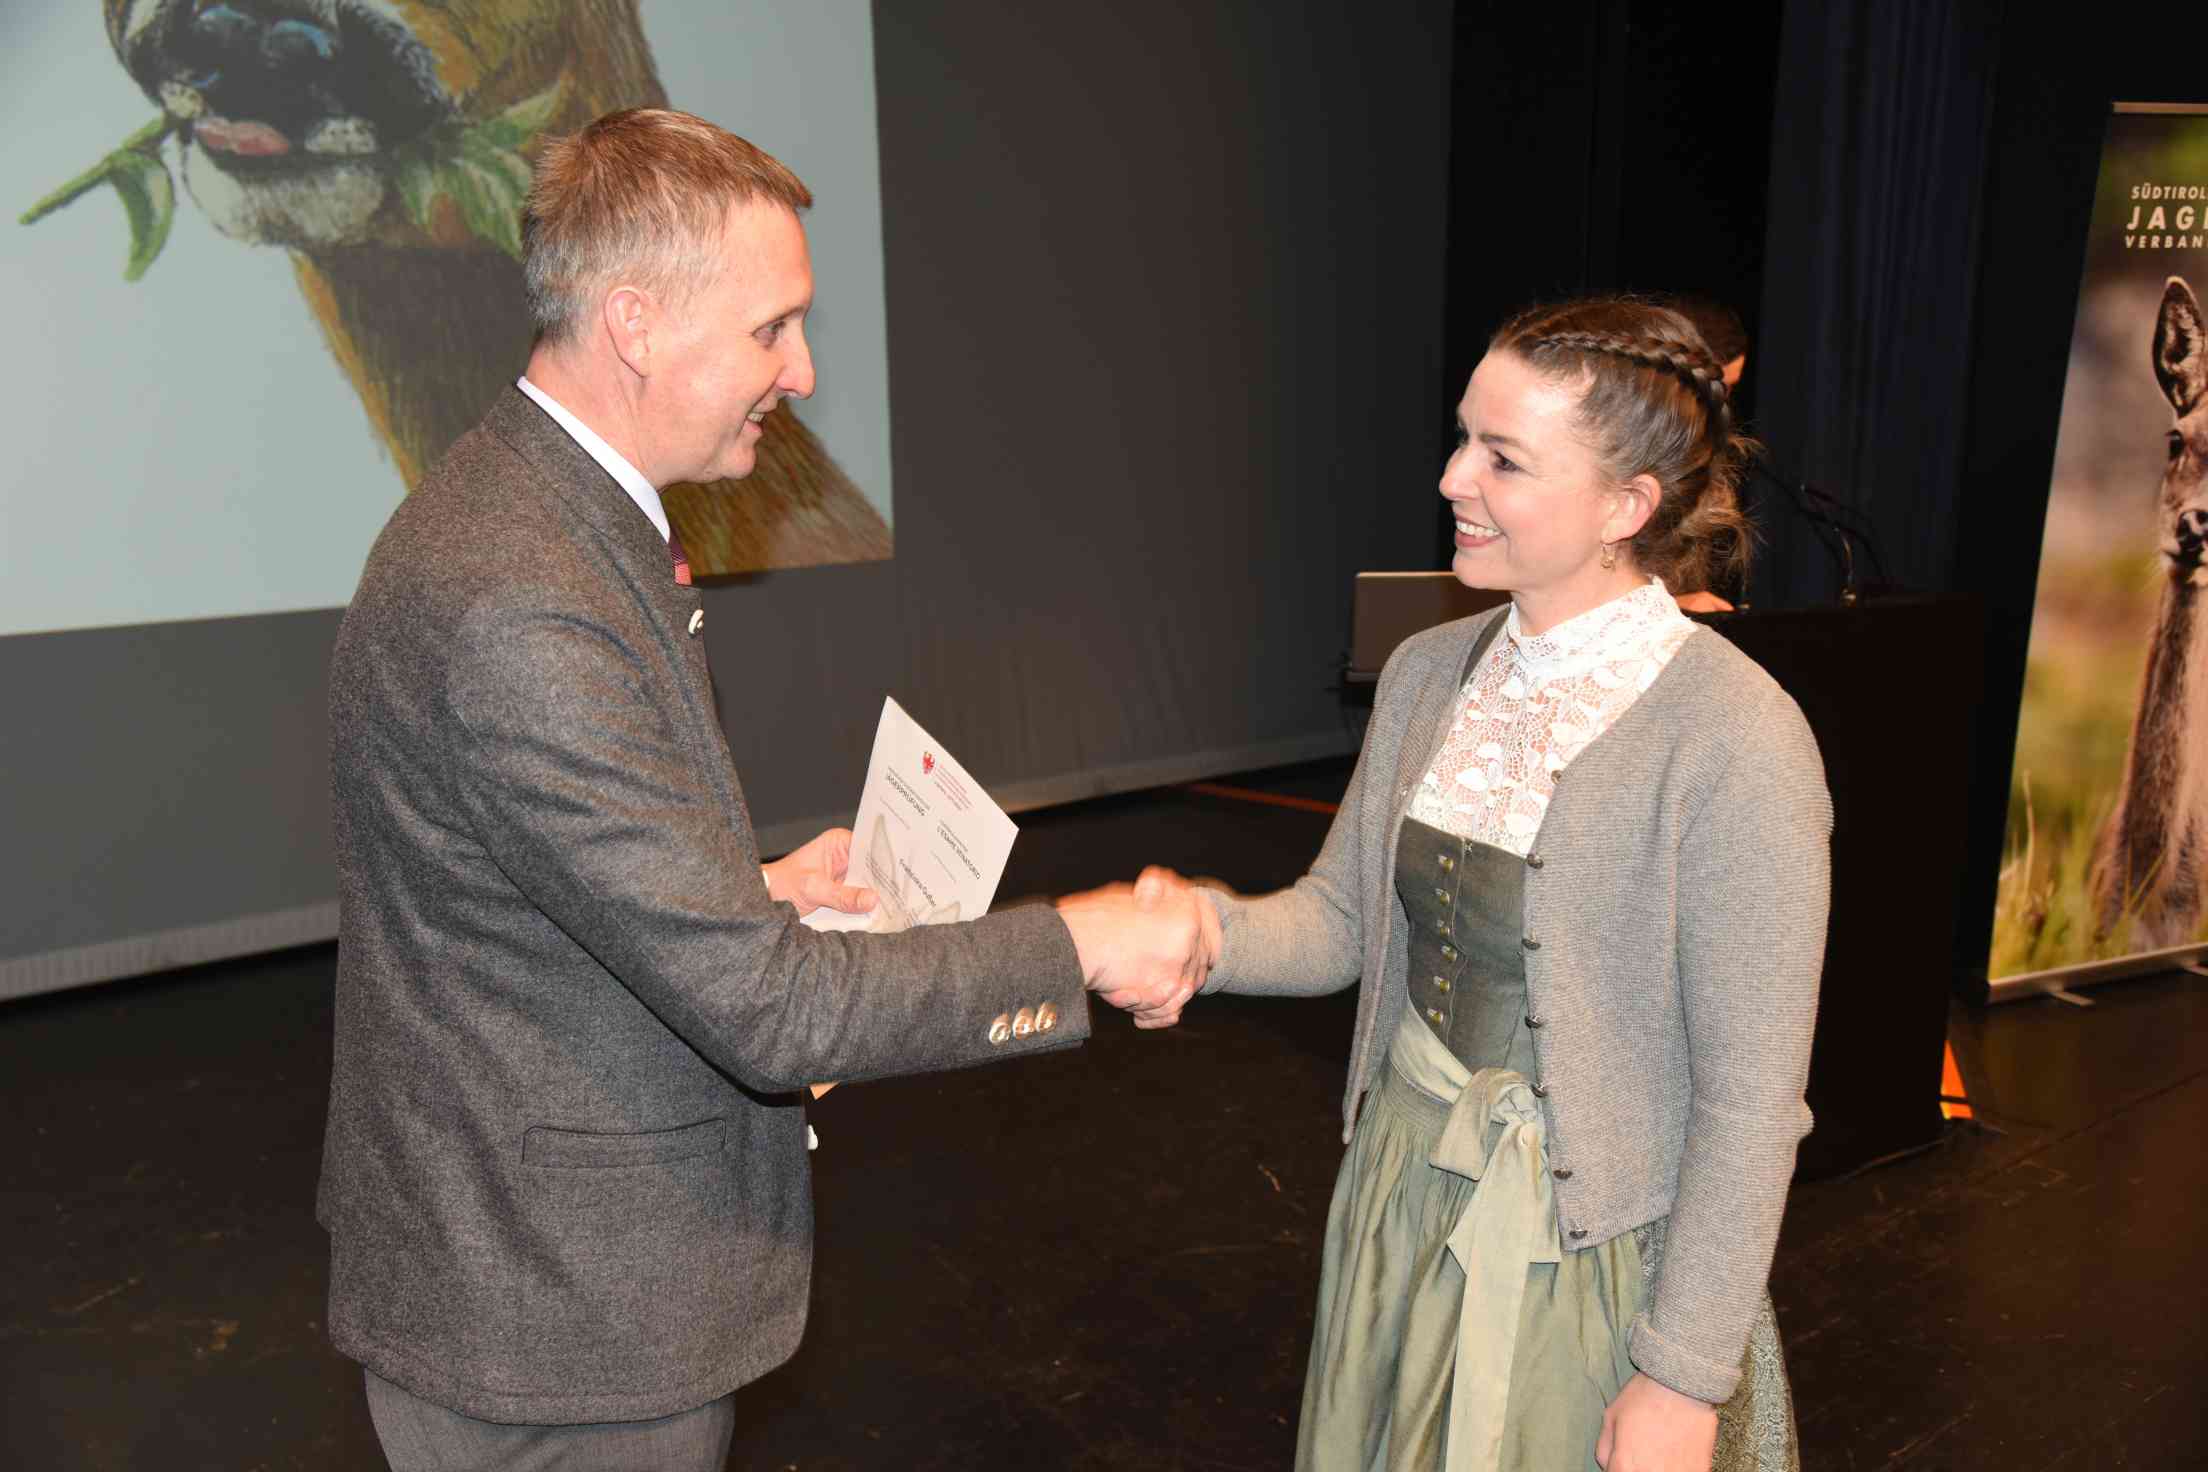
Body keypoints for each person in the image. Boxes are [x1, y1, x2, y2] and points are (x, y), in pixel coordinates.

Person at [319, 108, 1201, 1471]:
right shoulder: (523, 596)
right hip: (562, 1328)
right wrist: (1081, 941)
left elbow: (519, 880)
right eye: (770, 328)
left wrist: (742, 891)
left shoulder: (538, 515)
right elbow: (774, 1013)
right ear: (635, 323)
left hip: (539, 1278)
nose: (800, 369)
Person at [1123, 296, 1830, 1470]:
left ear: (1625, 506)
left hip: (1591, 1257)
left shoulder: (1738, 735)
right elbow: (1342, 918)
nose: (1453, 478)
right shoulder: (1427, 670)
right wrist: (1206, 929)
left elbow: (1751, 1105)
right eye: (1464, 437)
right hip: (1407, 1188)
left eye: (1504, 457)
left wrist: (1681, 1373)